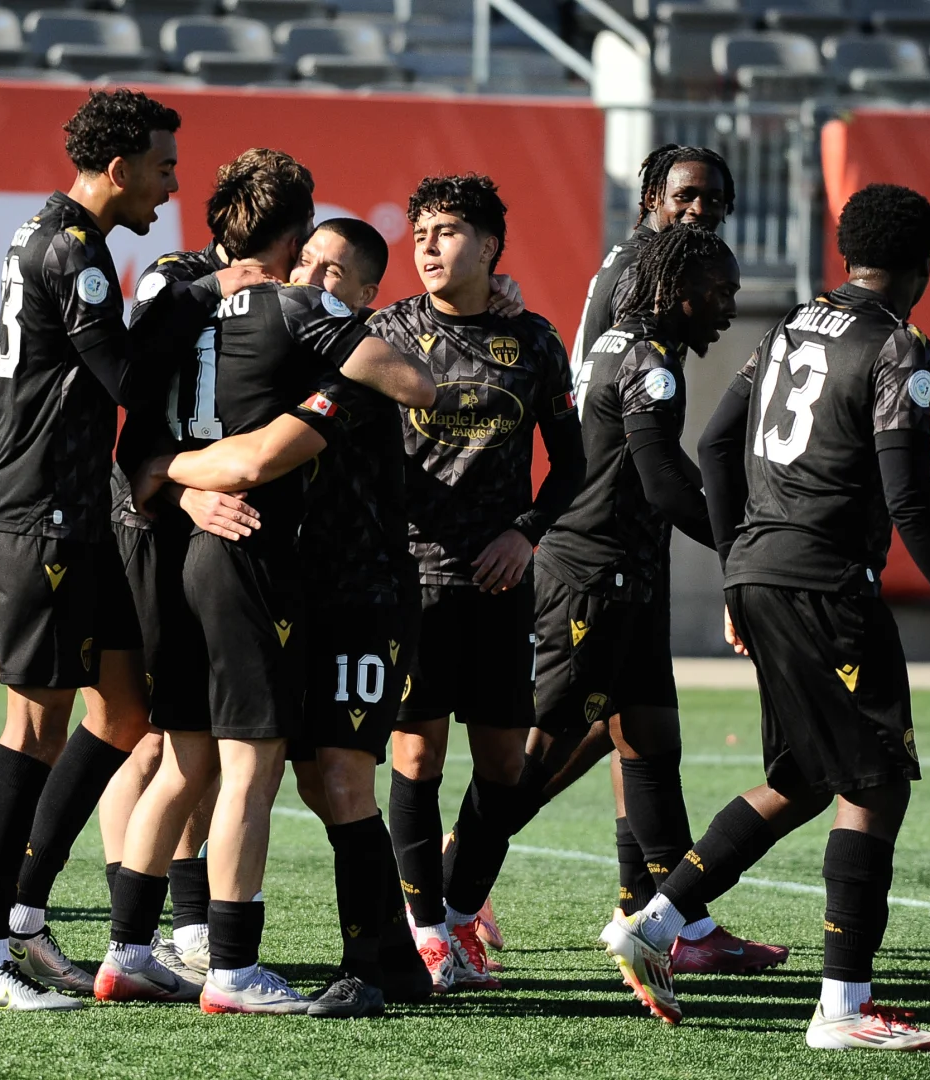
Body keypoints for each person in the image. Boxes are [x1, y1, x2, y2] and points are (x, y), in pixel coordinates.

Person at [602, 184, 930, 1048]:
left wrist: (740, 565)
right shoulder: (897, 343)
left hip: (760, 570)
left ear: (846, 252)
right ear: (923, 267)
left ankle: (656, 920)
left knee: (802, 779)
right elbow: (910, 499)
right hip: (827, 583)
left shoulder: (788, 327)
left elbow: (716, 445)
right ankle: (844, 1009)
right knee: (875, 784)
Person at [103, 150, 436, 1015]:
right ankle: (230, 965)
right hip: (252, 558)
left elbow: (140, 434)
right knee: (241, 767)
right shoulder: (296, 319)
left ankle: (136, 951)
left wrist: (172, 474)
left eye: (337, 273)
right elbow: (257, 458)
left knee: (227, 766)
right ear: (291, 241)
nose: (317, 277)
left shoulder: (187, 306)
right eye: (310, 258)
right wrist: (196, 477)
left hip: (327, 583)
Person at [503, 144, 781, 974]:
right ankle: (445, 886)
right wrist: (743, 547)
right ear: (652, 196)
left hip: (624, 544)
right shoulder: (644, 294)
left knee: (644, 732)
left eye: (714, 202)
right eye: (686, 196)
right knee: (565, 735)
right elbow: (641, 452)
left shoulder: (646, 286)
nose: (700, 211)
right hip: (602, 547)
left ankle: (663, 914)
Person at [0, 88, 182, 1012]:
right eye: (163, 168)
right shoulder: (74, 249)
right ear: (118, 169)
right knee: (33, 728)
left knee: (125, 712)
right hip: (40, 512)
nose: (171, 187)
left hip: (78, 514)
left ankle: (22, 919)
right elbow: (126, 378)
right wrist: (198, 306)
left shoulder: (51, 232)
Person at [368, 174, 586, 992]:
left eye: (449, 231)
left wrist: (524, 534)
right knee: (416, 755)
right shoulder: (386, 332)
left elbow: (573, 465)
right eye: (421, 231)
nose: (428, 245)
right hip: (413, 580)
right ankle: (427, 933)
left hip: (500, 583)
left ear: (491, 246)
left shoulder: (533, 340)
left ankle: (459, 912)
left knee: (503, 766)